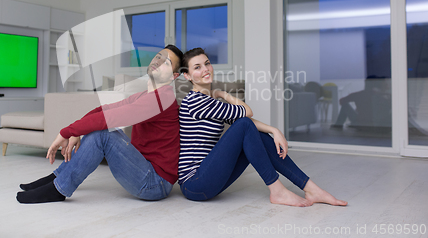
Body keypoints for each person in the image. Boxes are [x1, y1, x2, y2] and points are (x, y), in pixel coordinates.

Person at [178, 48, 347, 207]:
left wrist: (274, 130)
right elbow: (247, 113)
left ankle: (311, 188)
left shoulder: (209, 102)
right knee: (244, 124)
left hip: (209, 178)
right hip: (195, 183)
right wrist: (223, 94)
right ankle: (277, 190)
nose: (206, 69)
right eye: (197, 67)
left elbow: (245, 123)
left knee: (251, 131)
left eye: (207, 63)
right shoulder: (195, 101)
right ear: (187, 75)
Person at [17, 45, 184, 204]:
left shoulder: (162, 99)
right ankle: (57, 178)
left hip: (155, 183)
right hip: (143, 167)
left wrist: (66, 132)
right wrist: (76, 132)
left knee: (104, 133)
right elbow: (104, 109)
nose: (158, 61)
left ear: (173, 76)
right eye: (158, 56)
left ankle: (58, 189)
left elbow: (109, 118)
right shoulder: (146, 95)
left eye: (166, 63)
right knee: (100, 127)